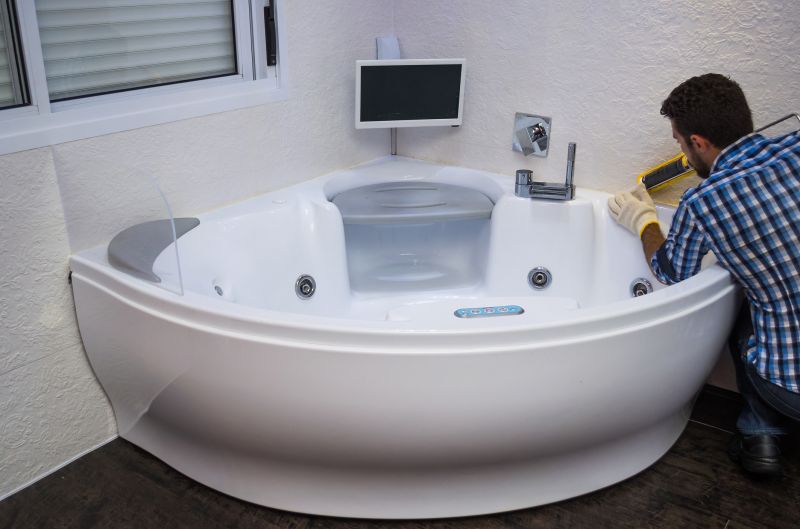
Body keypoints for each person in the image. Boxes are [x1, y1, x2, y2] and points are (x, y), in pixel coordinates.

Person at [607, 73, 800, 476]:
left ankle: (759, 435)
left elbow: (671, 271)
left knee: (750, 305)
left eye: (679, 141)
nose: (680, 150)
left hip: (790, 390)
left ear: (698, 143)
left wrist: (644, 221)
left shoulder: (702, 201)